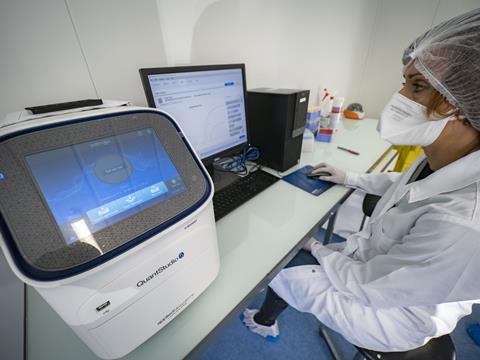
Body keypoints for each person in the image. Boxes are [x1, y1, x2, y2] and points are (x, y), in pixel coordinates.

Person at [242, 8, 480, 352]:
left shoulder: (463, 224)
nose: (399, 97)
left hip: (390, 313)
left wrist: (317, 249)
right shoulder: (446, 159)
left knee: (270, 260)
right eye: (404, 82)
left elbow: (372, 286)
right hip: (372, 266)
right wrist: (349, 176)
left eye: (417, 86)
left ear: (467, 107)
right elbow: (407, 189)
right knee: (288, 250)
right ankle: (268, 315)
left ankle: (263, 321)